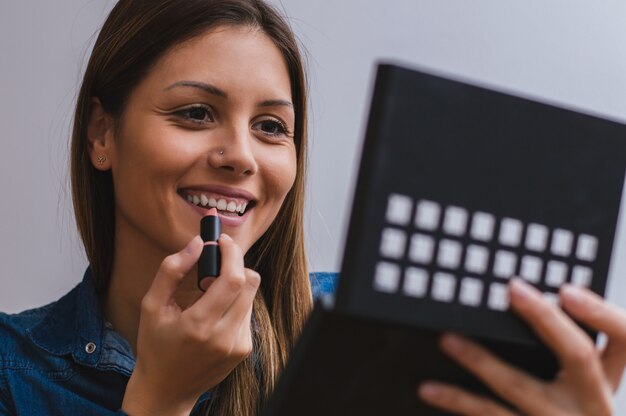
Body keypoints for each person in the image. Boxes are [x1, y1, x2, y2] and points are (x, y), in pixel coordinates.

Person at [1, 1, 625, 415]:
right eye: (195, 112)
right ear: (101, 136)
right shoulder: (12, 370)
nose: (240, 156)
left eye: (272, 127)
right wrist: (161, 401)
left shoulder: (381, 334)